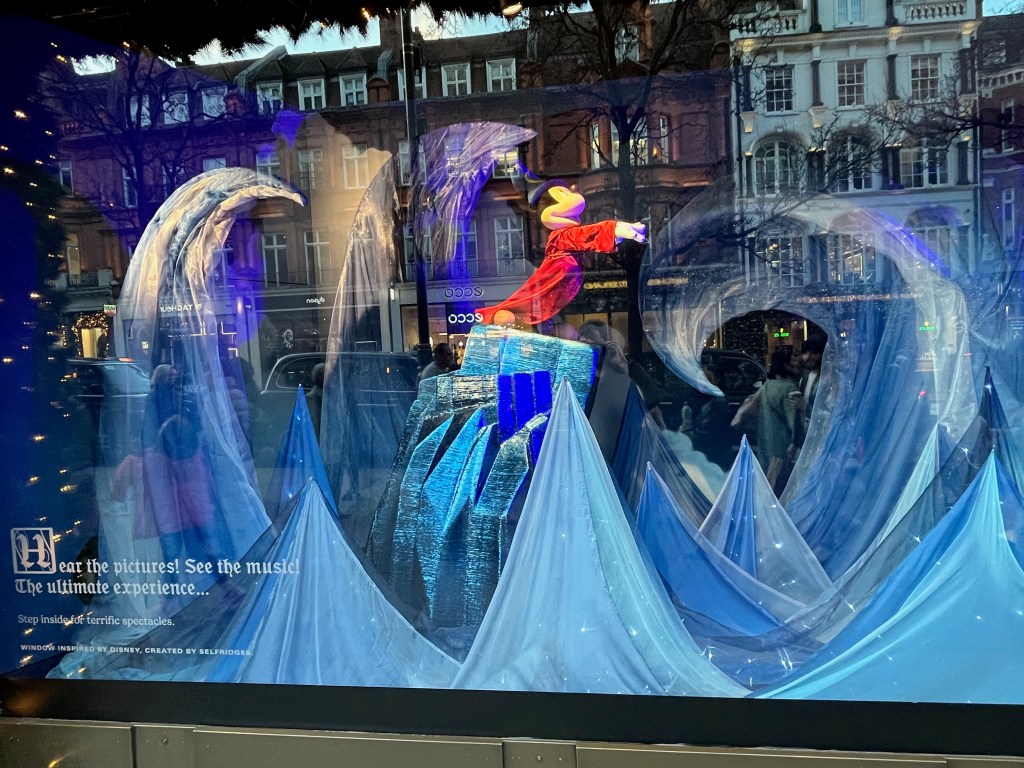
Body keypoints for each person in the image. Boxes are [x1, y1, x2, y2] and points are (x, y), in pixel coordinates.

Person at [756, 346, 802, 494]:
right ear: (785, 365)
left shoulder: (767, 386)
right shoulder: (790, 389)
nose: (797, 365)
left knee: (769, 484)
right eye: (793, 362)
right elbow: (793, 421)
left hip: (766, 442)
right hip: (784, 446)